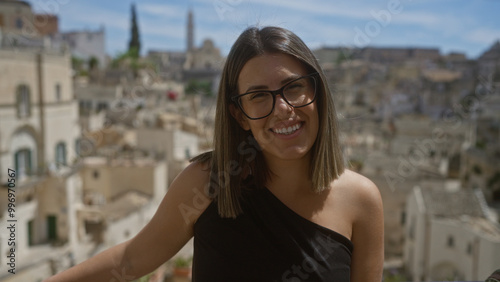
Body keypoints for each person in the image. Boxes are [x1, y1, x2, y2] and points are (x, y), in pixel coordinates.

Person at [44, 26, 383, 282]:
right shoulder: (209, 183)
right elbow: (128, 262)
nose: (283, 109)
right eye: (259, 96)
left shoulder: (361, 200)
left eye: (294, 87)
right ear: (239, 115)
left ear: (317, 92)